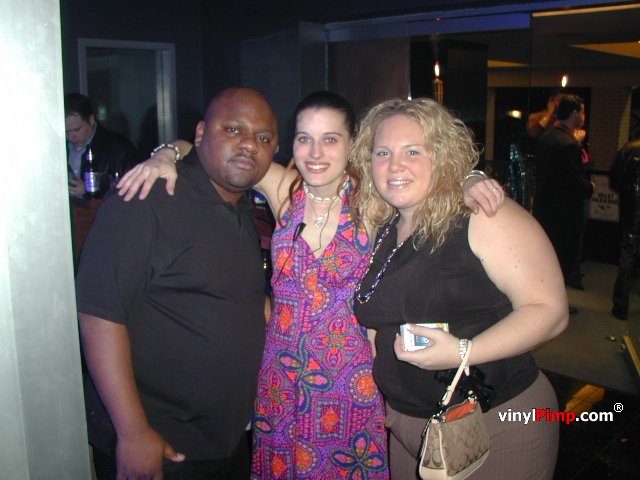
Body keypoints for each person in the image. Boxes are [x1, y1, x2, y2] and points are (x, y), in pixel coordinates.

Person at [117, 91, 504, 479]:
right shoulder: (285, 190)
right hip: (279, 377)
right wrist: (167, 153)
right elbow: (207, 148)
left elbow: (429, 183)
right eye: (305, 138)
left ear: (352, 145)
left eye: (330, 139)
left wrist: (470, 179)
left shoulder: (374, 202)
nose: (315, 153)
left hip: (350, 381)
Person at [350, 97, 568, 479]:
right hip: (409, 426)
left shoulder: (482, 215)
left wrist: (464, 352)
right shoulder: (384, 227)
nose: (395, 165)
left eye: (413, 151)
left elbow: (550, 312)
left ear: (441, 156)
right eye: (382, 152)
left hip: (496, 421)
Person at [76, 87, 279, 479]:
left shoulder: (239, 206)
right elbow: (99, 313)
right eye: (233, 129)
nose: (249, 144)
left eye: (263, 137)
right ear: (201, 134)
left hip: (226, 439)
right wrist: (133, 431)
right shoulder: (146, 198)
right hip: (161, 444)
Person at [533, 94, 594, 310]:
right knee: (562, 260)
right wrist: (591, 186)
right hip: (565, 215)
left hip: (545, 209)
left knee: (546, 260)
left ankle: (541, 300)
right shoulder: (569, 144)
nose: (584, 117)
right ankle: (556, 306)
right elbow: (575, 183)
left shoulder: (547, 136)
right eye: (583, 112)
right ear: (575, 114)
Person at [65, 93, 139, 198]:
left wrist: (91, 190)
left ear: (91, 120)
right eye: (66, 131)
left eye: (77, 130)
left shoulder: (119, 148)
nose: (71, 137)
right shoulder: (59, 149)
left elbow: (133, 190)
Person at [609, 137, 640, 320]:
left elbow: (615, 179)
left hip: (631, 210)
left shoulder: (629, 148)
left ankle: (621, 306)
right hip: (631, 208)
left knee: (627, 254)